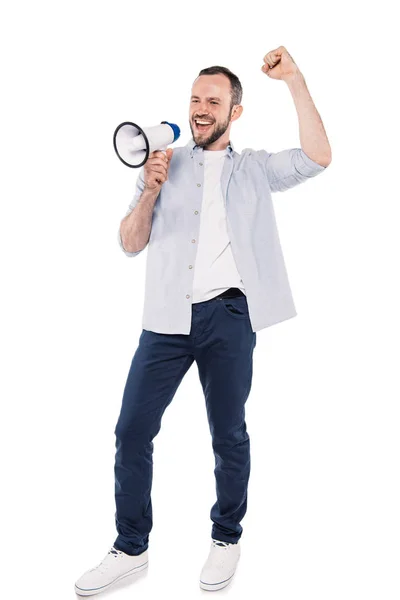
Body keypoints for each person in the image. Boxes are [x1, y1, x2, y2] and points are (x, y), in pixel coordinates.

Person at [74, 46, 331, 596]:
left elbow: (318, 156)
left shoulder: (256, 168)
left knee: (228, 434)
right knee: (131, 431)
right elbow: (128, 243)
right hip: (165, 320)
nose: (200, 108)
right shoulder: (162, 163)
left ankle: (225, 536)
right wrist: (149, 191)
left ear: (234, 111)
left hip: (230, 317)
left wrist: (296, 81)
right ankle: (130, 548)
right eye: (194, 98)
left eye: (213, 100)